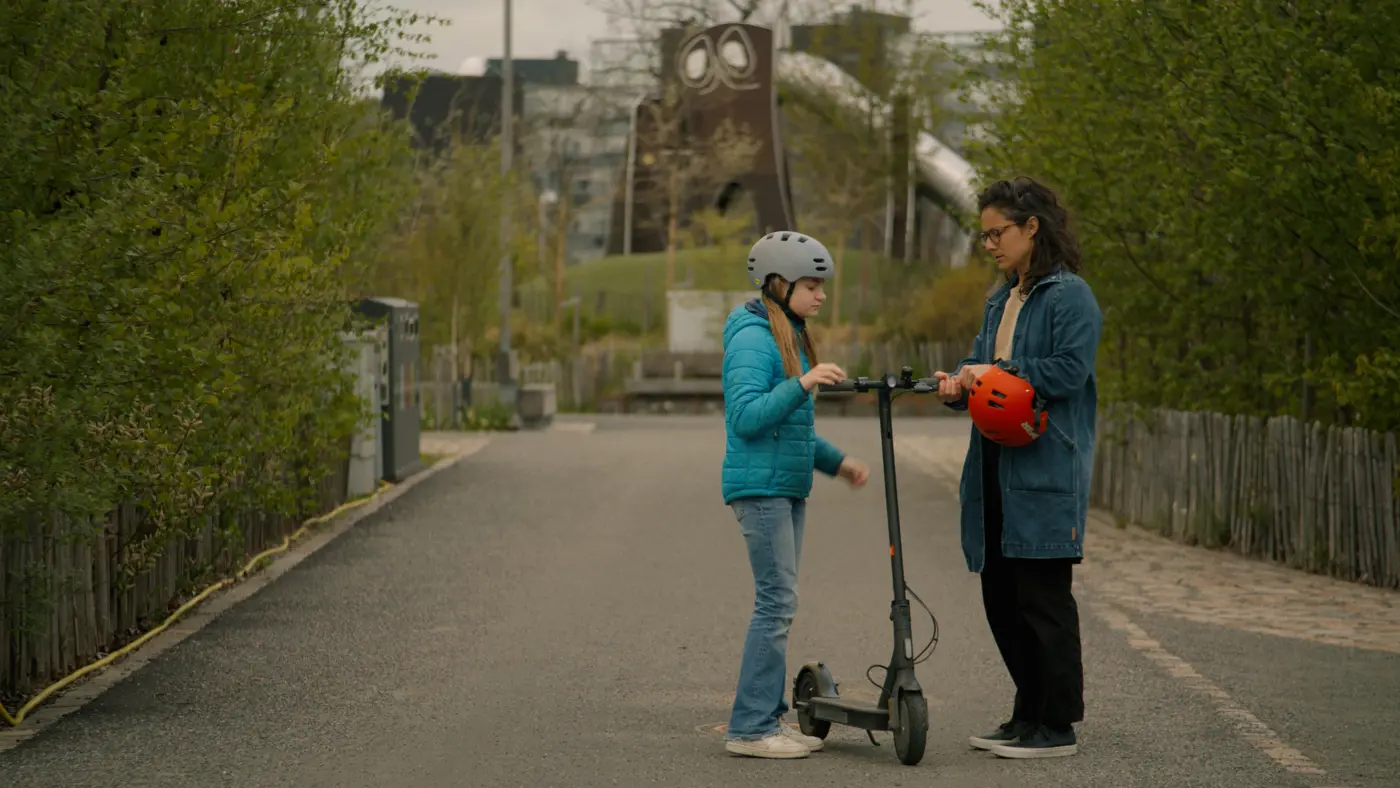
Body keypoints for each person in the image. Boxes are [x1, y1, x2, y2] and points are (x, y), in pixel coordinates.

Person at [932, 177, 1102, 760]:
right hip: (994, 463)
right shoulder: (1001, 298)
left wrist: (996, 370)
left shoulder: (1069, 296)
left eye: (997, 233)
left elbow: (1067, 373)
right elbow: (981, 366)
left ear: (1032, 228)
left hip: (1044, 465)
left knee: (1043, 599)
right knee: (1001, 596)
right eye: (983, 237)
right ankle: (1026, 713)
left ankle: (1056, 726)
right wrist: (959, 384)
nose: (990, 245)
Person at [720, 230, 871, 759]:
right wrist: (802, 385)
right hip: (760, 490)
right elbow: (746, 418)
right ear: (778, 284)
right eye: (811, 285)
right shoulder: (751, 339)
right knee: (776, 603)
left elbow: (792, 432)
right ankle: (750, 729)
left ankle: (766, 720)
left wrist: (838, 463)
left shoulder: (787, 335)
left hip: (784, 487)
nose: (821, 295)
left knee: (779, 602)